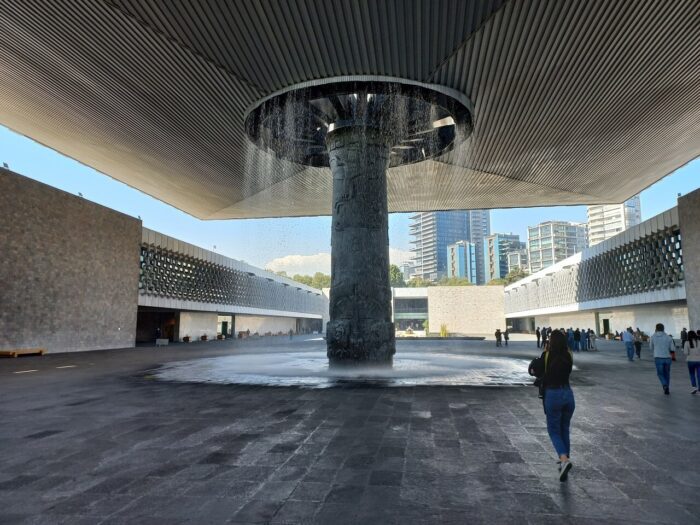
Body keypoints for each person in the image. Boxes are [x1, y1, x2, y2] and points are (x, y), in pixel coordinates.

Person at [540, 330, 575, 482]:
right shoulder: (569, 355)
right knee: (564, 428)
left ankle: (563, 458)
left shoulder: (547, 355)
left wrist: (544, 353)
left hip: (553, 395)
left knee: (554, 430)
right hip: (568, 394)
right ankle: (564, 460)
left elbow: (540, 372)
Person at [650, 323, 674, 395]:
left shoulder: (653, 337)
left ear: (656, 329)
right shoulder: (668, 337)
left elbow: (651, 347)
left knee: (660, 374)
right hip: (667, 358)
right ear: (664, 328)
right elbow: (672, 348)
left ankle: (664, 385)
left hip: (658, 358)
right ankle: (667, 387)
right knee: (667, 373)